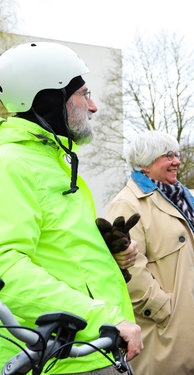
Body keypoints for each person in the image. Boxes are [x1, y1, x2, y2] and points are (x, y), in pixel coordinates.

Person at [0, 42, 142, 374]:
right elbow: (6, 270)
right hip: (57, 358)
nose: (93, 107)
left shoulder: (55, 161)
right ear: (49, 100)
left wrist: (107, 255)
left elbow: (58, 253)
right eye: (84, 94)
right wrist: (103, 319)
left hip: (90, 349)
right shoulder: (12, 165)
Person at [106, 131, 194, 375]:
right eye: (168, 156)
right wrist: (162, 308)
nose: (177, 161)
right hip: (170, 324)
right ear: (144, 164)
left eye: (177, 155)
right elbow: (129, 269)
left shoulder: (188, 196)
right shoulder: (127, 203)